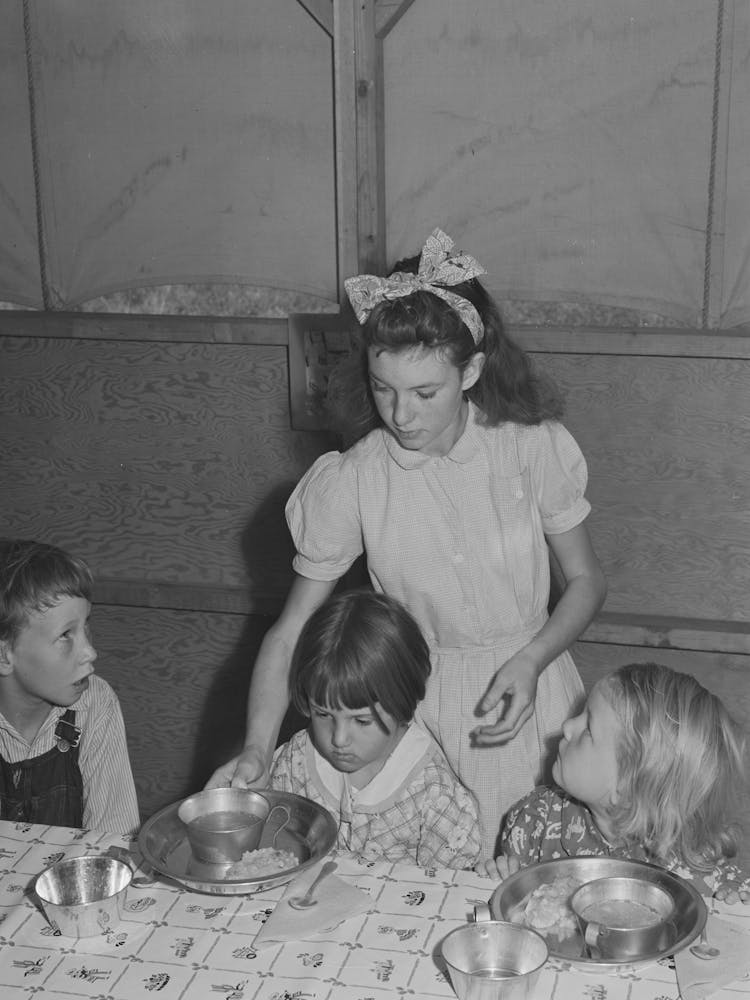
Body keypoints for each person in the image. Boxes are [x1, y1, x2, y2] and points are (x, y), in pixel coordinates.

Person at [209, 227, 607, 858]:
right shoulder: (357, 477)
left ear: (471, 370)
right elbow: (289, 631)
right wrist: (257, 744)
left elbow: (587, 582)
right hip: (414, 705)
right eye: (383, 388)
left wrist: (532, 660)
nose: (401, 415)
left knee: (528, 881)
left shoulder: (528, 446)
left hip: (528, 692)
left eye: (425, 393)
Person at [477, 662, 750, 901]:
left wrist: (733, 899)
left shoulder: (692, 852)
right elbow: (508, 914)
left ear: (627, 786)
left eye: (588, 730)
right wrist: (498, 880)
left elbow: (728, 906)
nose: (567, 727)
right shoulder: (534, 818)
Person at [268, 588, 481, 868]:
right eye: (323, 714)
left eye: (361, 720)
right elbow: (273, 844)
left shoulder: (431, 790)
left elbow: (450, 888)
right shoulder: (293, 764)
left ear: (402, 701)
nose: (339, 738)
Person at [0, 539, 139, 834]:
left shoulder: (94, 704)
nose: (90, 652)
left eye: (86, 625)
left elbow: (111, 840)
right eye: (66, 635)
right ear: (4, 655)